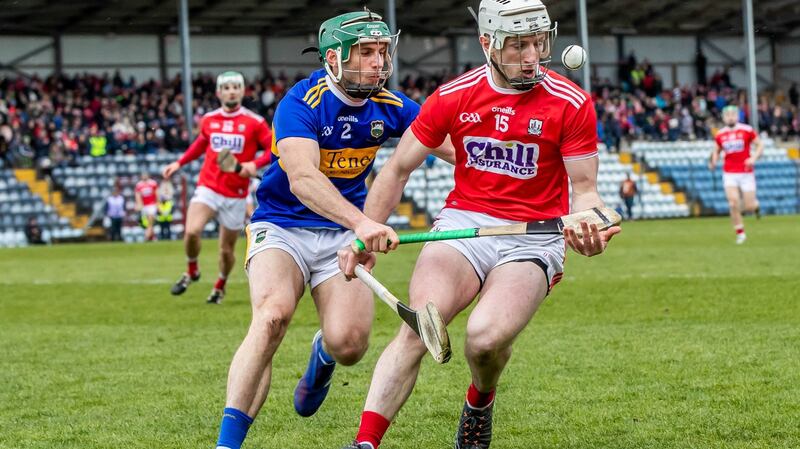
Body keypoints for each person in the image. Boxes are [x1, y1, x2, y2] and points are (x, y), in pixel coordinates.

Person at [337, 1, 620, 448]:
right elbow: (396, 169)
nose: (532, 57)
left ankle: (480, 399)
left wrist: (591, 227)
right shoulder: (454, 95)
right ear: (487, 43)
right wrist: (365, 232)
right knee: (420, 325)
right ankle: (365, 442)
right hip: (463, 226)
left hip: (533, 235)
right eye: (518, 45)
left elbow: (585, 190)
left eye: (538, 43)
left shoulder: (571, 102)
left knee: (484, 341)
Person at [211, 10, 451, 449]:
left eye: (382, 52)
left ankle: (322, 353)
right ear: (335, 59)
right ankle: (226, 445)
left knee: (350, 346)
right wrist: (363, 222)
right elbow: (303, 178)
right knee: (271, 317)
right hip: (282, 225)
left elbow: (454, 149)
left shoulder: (391, 107)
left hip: (340, 234)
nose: (378, 62)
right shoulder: (301, 103)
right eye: (366, 52)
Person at [162, 71, 272, 304]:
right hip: (208, 187)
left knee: (226, 250)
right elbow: (201, 144)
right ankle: (192, 270)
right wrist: (179, 162)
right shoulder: (209, 120)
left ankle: (220, 285)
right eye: (227, 87)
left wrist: (253, 164)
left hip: (236, 194)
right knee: (191, 231)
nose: (231, 91)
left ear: (242, 91)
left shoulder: (255, 122)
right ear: (219, 92)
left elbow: (275, 148)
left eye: (235, 87)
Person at [709, 105, 763, 244]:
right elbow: (716, 150)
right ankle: (740, 233)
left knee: (749, 206)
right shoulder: (720, 134)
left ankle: (756, 206)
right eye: (727, 115)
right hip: (729, 173)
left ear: (737, 116)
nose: (730, 117)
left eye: (733, 114)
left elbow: (760, 145)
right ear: (723, 117)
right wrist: (714, 160)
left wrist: (753, 158)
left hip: (746, 172)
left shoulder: (747, 130)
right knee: (733, 203)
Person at [134, 172, 158, 241]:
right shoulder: (139, 185)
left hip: (152, 205)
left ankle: (146, 237)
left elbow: (156, 194)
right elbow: (137, 195)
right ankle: (153, 237)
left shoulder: (153, 183)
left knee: (150, 221)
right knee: (149, 222)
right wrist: (138, 204)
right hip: (144, 206)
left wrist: (157, 203)